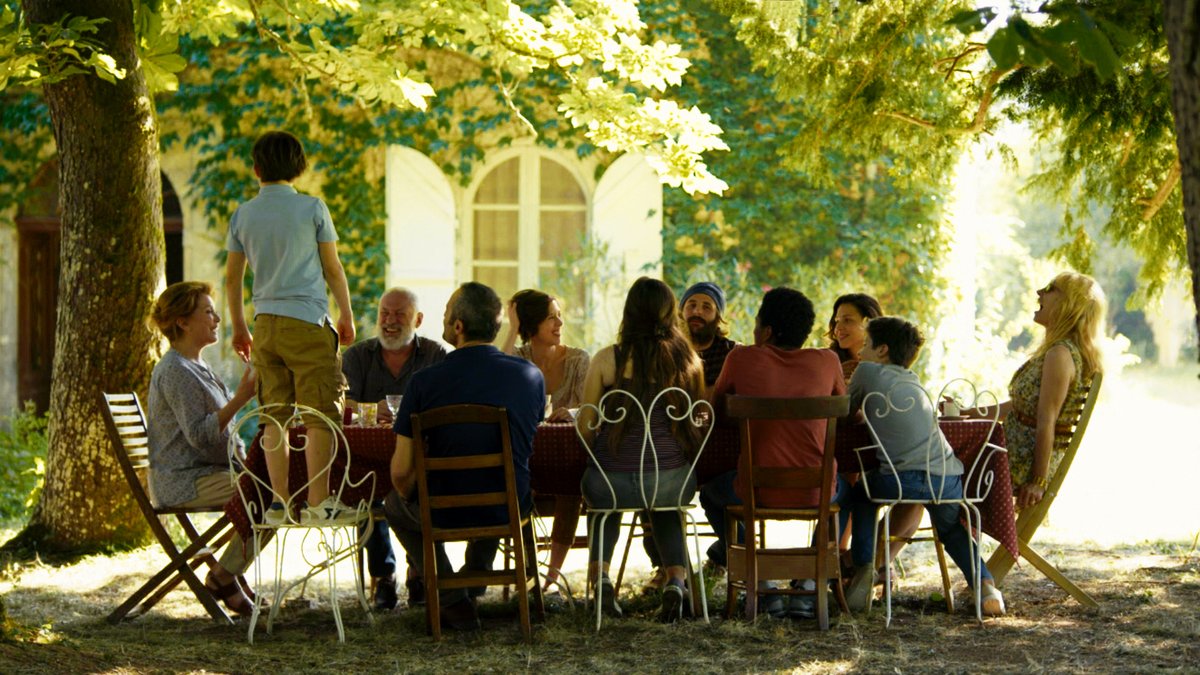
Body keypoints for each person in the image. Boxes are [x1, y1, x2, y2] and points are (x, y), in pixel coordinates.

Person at [884, 272, 1106, 566]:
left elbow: (1047, 420)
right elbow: (1018, 407)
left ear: (1070, 304)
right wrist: (966, 413)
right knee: (926, 473)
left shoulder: (1061, 355)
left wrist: (1038, 480)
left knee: (926, 474)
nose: (1040, 291)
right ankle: (876, 565)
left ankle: (867, 565)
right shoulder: (1058, 351)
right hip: (1002, 455)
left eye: (1050, 289)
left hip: (1013, 465)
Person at [383, 282, 545, 631]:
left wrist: (412, 493)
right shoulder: (530, 377)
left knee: (395, 504)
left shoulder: (423, 383)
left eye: (445, 315)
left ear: (458, 326)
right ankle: (471, 582)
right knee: (499, 484)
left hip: (444, 507)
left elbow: (399, 472)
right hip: (508, 504)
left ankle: (454, 598)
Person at [224, 130, 356, 526]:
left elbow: (233, 278)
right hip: (308, 322)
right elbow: (332, 268)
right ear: (298, 167)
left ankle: (279, 503)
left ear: (256, 168)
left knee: (273, 416)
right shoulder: (313, 208)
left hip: (265, 325)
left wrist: (239, 327)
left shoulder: (243, 214)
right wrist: (346, 314)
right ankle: (319, 502)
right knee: (319, 415)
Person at [841, 316, 1005, 617]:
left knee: (860, 495)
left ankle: (865, 567)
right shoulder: (912, 379)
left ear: (882, 351)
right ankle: (986, 586)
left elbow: (845, 414)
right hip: (946, 478)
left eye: (866, 344)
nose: (861, 351)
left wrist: (846, 384)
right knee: (952, 530)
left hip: (900, 479)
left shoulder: (865, 371)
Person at [699, 286, 847, 619]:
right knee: (848, 492)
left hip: (754, 488)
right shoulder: (828, 360)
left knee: (710, 493)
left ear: (766, 331)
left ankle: (759, 582)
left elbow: (719, 412)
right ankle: (809, 585)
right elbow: (843, 408)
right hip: (817, 490)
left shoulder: (742, 357)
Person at [578, 277, 706, 623]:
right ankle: (676, 582)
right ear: (670, 313)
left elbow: (586, 423)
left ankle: (601, 580)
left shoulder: (608, 359)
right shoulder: (688, 361)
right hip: (670, 479)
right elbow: (698, 420)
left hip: (613, 478)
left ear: (629, 312)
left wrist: (595, 460)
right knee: (665, 505)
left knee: (602, 501)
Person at [146, 281, 260, 616]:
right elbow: (200, 435)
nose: (217, 319)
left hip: (210, 472)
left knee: (272, 487)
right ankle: (224, 576)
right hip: (183, 480)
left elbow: (224, 431)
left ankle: (228, 576)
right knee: (267, 495)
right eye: (208, 312)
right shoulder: (176, 371)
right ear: (182, 322)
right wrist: (241, 397)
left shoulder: (198, 366)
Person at [341, 287, 447, 610]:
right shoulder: (357, 356)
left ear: (417, 319)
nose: (390, 321)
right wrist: (372, 408)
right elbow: (341, 402)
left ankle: (418, 570)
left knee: (425, 487)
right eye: (384, 314)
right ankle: (383, 576)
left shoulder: (434, 355)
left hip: (420, 455)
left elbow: (444, 402)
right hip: (370, 456)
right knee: (366, 485)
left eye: (399, 314)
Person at [500, 289, 591, 592]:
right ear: (532, 323)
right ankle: (527, 572)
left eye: (559, 315)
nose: (559, 322)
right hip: (527, 461)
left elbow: (593, 408)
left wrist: (574, 412)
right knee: (517, 484)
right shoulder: (520, 359)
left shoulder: (579, 360)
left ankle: (551, 576)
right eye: (550, 317)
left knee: (570, 485)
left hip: (569, 461)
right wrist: (512, 327)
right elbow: (496, 371)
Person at [679, 281, 739, 388]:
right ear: (681, 312)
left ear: (718, 317)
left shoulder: (730, 353)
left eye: (706, 307)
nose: (697, 311)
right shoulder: (669, 350)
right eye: (691, 305)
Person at [826, 293, 883, 381]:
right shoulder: (828, 362)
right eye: (837, 321)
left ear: (868, 322)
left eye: (847, 320)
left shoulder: (888, 362)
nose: (838, 328)